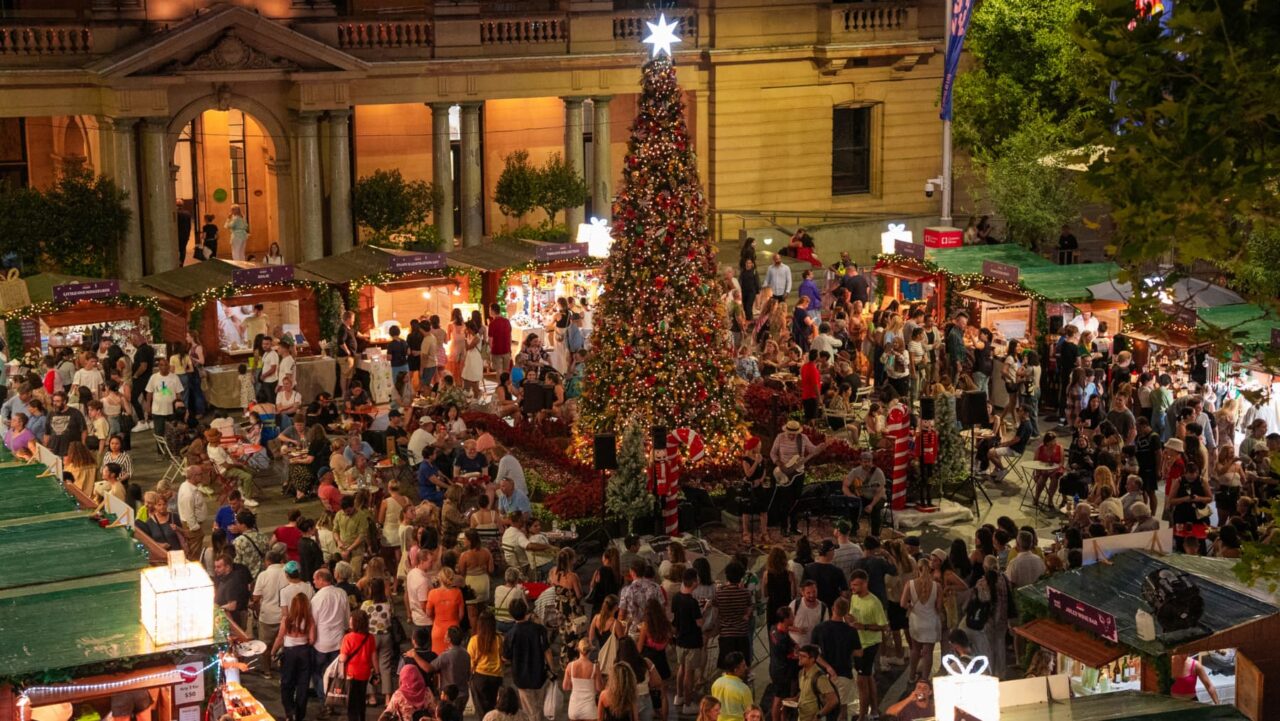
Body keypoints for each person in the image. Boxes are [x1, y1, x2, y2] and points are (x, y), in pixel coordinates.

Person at [848, 569, 888, 721]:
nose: (853, 588)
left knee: (861, 681)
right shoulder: (854, 597)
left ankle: (862, 715)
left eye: (857, 585)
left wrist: (863, 626)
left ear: (865, 584)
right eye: (852, 585)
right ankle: (875, 711)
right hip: (859, 642)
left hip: (869, 645)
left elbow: (883, 626)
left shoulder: (874, 602)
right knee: (868, 678)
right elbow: (853, 615)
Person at [504, 598, 552, 721]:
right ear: (526, 610)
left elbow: (506, 657)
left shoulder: (510, 634)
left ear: (511, 614)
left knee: (530, 710)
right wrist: (553, 670)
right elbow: (547, 652)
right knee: (539, 706)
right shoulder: (539, 629)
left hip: (521, 678)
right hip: (540, 675)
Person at [272, 593, 316, 721]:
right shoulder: (309, 620)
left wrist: (273, 652)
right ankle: (299, 714)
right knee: (303, 685)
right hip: (304, 653)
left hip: (289, 653)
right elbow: (312, 640)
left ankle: (289, 711)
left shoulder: (287, 619)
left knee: (287, 683)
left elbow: (280, 638)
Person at [310, 568, 351, 702]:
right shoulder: (342, 593)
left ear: (322, 579)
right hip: (338, 641)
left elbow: (313, 622)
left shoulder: (317, 598)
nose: (313, 581)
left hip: (321, 643)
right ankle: (334, 698)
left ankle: (324, 700)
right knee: (335, 673)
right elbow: (346, 617)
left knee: (318, 672)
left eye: (315, 579)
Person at [337, 609, 377, 721]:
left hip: (351, 674)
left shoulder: (348, 638)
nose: (349, 621)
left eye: (351, 620)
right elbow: (374, 657)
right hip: (365, 673)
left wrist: (340, 657)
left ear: (356, 622)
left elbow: (343, 658)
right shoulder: (370, 637)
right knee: (361, 700)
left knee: (352, 704)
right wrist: (377, 673)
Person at [843, 451, 887, 537]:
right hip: (863, 496)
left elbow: (880, 492)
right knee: (853, 506)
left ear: (872, 462)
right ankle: (855, 526)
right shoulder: (855, 471)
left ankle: (875, 534)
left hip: (877, 497)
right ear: (861, 462)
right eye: (865, 462)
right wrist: (851, 496)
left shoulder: (878, 472)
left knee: (875, 509)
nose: (867, 464)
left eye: (869, 461)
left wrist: (871, 505)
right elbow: (845, 486)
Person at [469, 611, 505, 716]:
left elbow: (470, 662)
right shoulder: (499, 639)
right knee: (495, 707)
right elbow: (502, 658)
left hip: (480, 677)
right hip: (496, 677)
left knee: (481, 710)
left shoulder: (474, 640)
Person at [428, 567, 465, 654]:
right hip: (453, 630)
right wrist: (455, 621)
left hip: (438, 629)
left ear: (440, 578)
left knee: (438, 659)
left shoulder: (432, 593)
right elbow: (461, 614)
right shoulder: (458, 593)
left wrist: (435, 620)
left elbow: (428, 613)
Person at [563, 638, 599, 721]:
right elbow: (599, 688)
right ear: (590, 651)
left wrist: (575, 685)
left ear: (578, 650)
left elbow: (565, 687)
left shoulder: (570, 666)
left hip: (574, 708)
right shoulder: (595, 667)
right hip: (589, 709)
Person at [710, 653, 752, 721]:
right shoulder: (743, 689)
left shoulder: (716, 683)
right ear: (736, 670)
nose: (746, 668)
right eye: (743, 666)